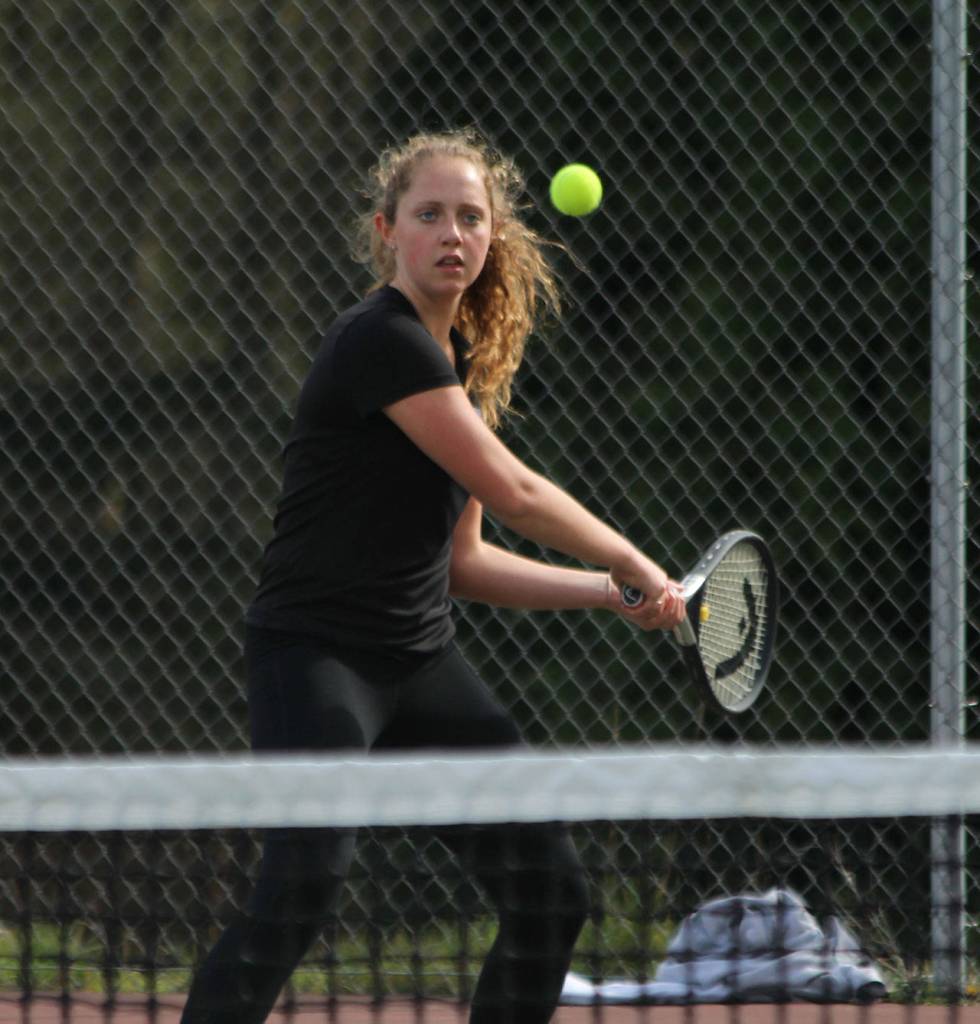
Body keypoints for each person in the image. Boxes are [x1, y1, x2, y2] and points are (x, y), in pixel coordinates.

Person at [180, 128, 685, 1024]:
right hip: (316, 656)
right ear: (388, 232)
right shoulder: (380, 342)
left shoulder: (458, 367)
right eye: (429, 215)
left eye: (470, 217)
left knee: (549, 894)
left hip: (418, 664)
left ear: (492, 238)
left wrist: (607, 595)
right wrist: (632, 559)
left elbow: (464, 561)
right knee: (301, 891)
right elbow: (517, 491)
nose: (452, 233)